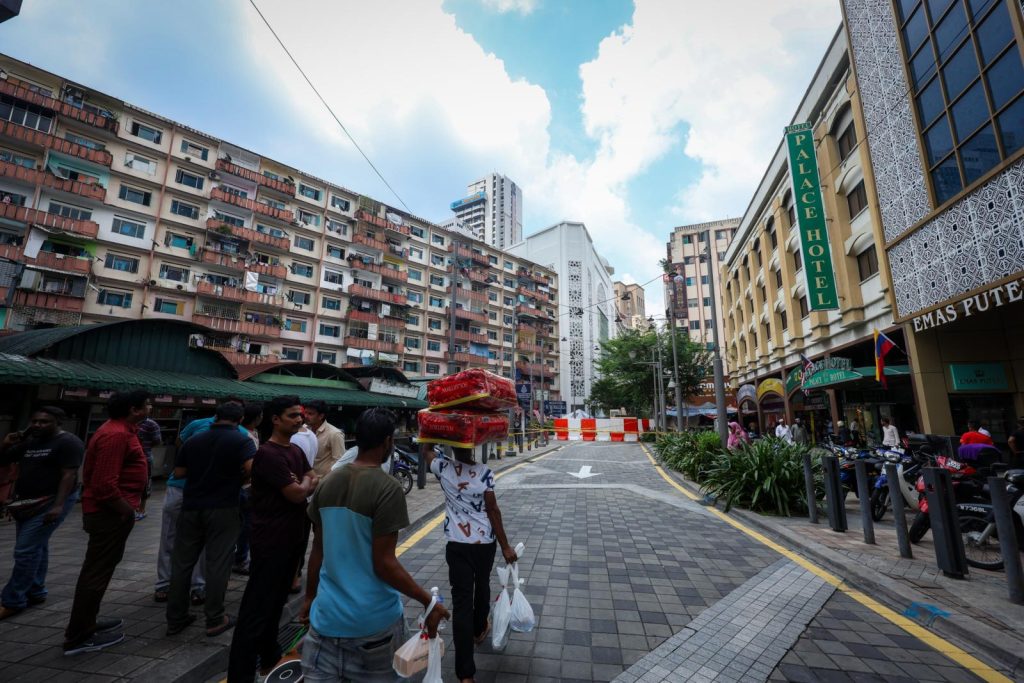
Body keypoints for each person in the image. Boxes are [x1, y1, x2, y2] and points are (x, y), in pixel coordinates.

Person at [300, 408, 449, 682]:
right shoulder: (387, 488)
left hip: (325, 621)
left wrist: (310, 598)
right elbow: (384, 564)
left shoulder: (328, 483)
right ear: (387, 442)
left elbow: (317, 551)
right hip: (372, 625)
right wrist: (428, 602)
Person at [228, 396, 319, 682]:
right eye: (292, 416)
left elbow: (311, 475)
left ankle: (269, 660)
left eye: (300, 415)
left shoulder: (292, 449)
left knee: (275, 605)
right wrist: (302, 485)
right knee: (256, 610)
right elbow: (298, 491)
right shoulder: (268, 454)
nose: (299, 420)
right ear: (275, 419)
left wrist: (300, 483)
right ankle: (240, 674)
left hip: (292, 538)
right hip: (271, 541)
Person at [64, 390, 152, 656]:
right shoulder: (115, 434)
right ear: (134, 409)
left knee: (100, 569)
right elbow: (103, 485)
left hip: (113, 512)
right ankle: (78, 635)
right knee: (96, 573)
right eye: (147, 405)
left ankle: (87, 623)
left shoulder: (123, 430)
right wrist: (126, 511)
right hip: (109, 514)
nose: (150, 408)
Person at [423, 440, 513, 683]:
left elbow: (427, 453)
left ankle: (465, 674)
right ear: (473, 446)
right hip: (484, 543)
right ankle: (479, 628)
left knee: (461, 602)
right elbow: (493, 510)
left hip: (457, 544)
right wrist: (505, 546)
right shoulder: (484, 473)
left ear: (452, 447)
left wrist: (429, 435)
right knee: (482, 585)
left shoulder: (443, 467)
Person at [166, 402, 256, 638]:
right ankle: (215, 618)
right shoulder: (241, 441)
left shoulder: (195, 440)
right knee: (218, 563)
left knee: (182, 563)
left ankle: (175, 618)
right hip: (223, 507)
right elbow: (251, 469)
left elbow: (179, 473)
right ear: (241, 419)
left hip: (191, 506)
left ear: (216, 416)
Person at [0, 407, 84, 620]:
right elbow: (4, 459)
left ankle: (13, 600)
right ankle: (36, 590)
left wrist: (58, 505)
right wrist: (6, 443)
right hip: (27, 502)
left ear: (58, 422)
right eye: (35, 421)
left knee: (25, 550)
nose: (38, 425)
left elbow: (69, 475)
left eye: (44, 422)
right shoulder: (30, 441)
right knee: (37, 545)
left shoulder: (68, 443)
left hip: (50, 502)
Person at [234, 403, 263, 576]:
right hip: (245, 486)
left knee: (245, 524)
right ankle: (240, 559)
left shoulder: (253, 433)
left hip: (247, 485)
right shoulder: (244, 435)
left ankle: (239, 557)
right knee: (245, 525)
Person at [304, 400, 345, 477]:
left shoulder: (334, 434)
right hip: (304, 478)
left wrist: (325, 481)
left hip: (321, 481)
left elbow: (339, 462)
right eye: (305, 413)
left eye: (310, 414)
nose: (305, 416)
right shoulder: (304, 429)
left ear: (321, 416)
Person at [135, 417, 162, 521]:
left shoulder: (151, 424)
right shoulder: (128, 421)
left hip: (145, 458)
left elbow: (157, 441)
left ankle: (141, 510)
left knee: (144, 484)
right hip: (128, 458)